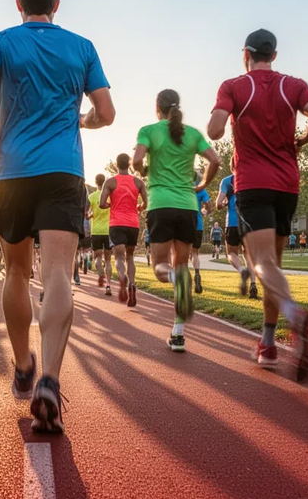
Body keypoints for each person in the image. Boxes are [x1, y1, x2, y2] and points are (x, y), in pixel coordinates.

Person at [0, 0, 115, 433]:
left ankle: (24, 364)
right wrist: (83, 120)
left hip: (11, 170)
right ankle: (50, 378)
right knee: (57, 274)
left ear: (18, 3)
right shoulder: (82, 47)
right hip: (63, 170)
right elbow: (106, 112)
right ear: (56, 3)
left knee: (16, 271)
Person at [206, 28, 308, 380]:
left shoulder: (233, 86)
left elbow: (214, 131)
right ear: (274, 55)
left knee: (261, 264)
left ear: (245, 54)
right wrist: (302, 140)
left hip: (253, 183)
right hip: (287, 185)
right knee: (273, 267)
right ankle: (268, 342)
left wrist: (223, 118)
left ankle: (296, 316)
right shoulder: (294, 85)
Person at [134, 90, 220, 352]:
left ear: (157, 108)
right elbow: (215, 160)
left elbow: (137, 160)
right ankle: (178, 334)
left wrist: (144, 170)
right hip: (187, 206)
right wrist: (202, 184)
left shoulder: (148, 131)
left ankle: (173, 277)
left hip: (161, 204)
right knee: (182, 268)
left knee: (160, 267)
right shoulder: (192, 133)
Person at [100, 153, 147, 307]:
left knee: (119, 257)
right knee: (130, 256)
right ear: (130, 164)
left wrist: (111, 204)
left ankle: (122, 278)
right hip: (133, 223)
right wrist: (139, 207)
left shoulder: (110, 182)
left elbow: (101, 204)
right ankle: (132, 283)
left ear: (116, 164)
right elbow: (146, 203)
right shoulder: (139, 182)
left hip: (116, 223)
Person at [217, 171, 259, 299]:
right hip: (249, 222)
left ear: (231, 166)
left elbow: (218, 204)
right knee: (248, 255)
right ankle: (253, 285)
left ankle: (242, 270)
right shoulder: (252, 178)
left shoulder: (227, 181)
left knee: (231, 253)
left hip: (232, 222)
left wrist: (224, 203)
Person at [88, 174, 114, 295]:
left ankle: (100, 273)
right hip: (108, 231)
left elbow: (85, 214)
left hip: (96, 231)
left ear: (95, 182)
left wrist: (91, 215)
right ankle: (108, 285)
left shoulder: (91, 197)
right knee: (108, 260)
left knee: (97, 257)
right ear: (105, 182)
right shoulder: (110, 196)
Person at [190, 173, 211, 294]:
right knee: (194, 253)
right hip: (198, 224)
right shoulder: (201, 189)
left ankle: (182, 280)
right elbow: (208, 206)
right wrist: (205, 211)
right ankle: (197, 273)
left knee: (181, 253)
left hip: (184, 224)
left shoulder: (182, 187)